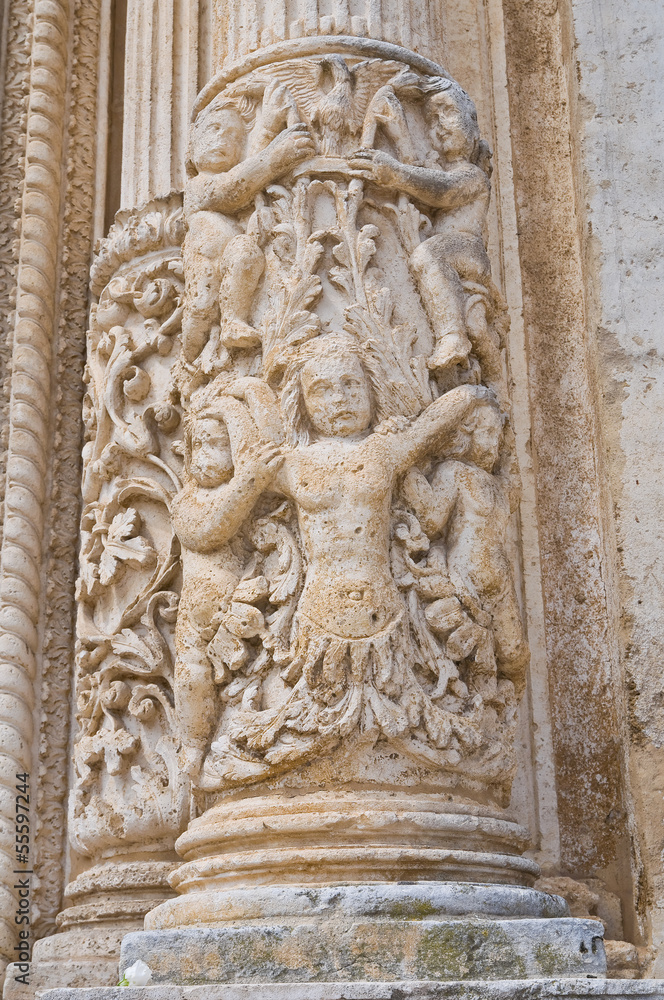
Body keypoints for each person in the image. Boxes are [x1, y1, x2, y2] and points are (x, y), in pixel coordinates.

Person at [351, 77, 500, 380]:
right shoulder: (440, 167)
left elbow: (441, 191)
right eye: (432, 118)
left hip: (467, 250)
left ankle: (452, 336)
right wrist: (399, 132)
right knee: (428, 255)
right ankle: (474, 344)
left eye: (448, 113)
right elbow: (419, 169)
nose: (439, 125)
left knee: (428, 254)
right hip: (454, 249)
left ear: (472, 127)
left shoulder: (471, 175)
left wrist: (395, 174)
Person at [172, 382, 282, 776]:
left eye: (216, 444)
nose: (204, 457)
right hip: (196, 626)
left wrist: (251, 390)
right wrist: (247, 481)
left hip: (246, 605)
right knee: (191, 676)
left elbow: (271, 446)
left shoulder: (249, 490)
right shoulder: (187, 501)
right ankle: (194, 745)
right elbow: (208, 531)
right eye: (198, 446)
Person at [401, 395, 529, 694]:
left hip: (499, 583)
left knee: (515, 656)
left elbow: (513, 473)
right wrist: (409, 475)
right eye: (487, 434)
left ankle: (508, 699)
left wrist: (507, 430)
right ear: (463, 434)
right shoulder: (453, 473)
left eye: (496, 436)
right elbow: (432, 522)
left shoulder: (500, 486)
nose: (493, 444)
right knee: (469, 655)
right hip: (465, 577)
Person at [182, 83, 315, 372]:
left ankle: (232, 322)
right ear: (191, 148)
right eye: (214, 130)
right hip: (205, 264)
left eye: (234, 136)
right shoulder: (197, 186)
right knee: (200, 310)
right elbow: (231, 191)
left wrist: (267, 124)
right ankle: (189, 357)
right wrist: (275, 157)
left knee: (247, 256)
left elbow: (245, 173)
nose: (222, 140)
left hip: (230, 251)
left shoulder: (237, 168)